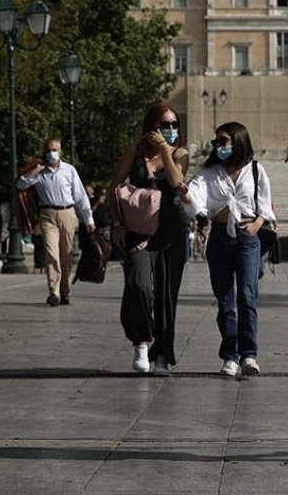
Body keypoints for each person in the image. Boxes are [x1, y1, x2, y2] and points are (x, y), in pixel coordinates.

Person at [182, 121, 275, 378]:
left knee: (247, 294)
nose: (218, 146)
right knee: (225, 300)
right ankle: (230, 355)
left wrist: (256, 225)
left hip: (247, 237)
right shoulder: (209, 173)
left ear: (238, 142)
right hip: (220, 237)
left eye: (223, 141)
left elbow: (265, 205)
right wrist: (187, 198)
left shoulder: (255, 170)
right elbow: (195, 197)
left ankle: (249, 355)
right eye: (216, 142)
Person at [110, 102, 189, 376]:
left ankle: (162, 356)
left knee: (167, 295)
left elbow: (178, 183)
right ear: (151, 126)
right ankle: (141, 340)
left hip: (170, 232)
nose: (169, 130)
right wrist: (117, 223)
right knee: (139, 284)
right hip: (137, 230)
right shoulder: (135, 152)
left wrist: (166, 151)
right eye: (163, 125)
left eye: (173, 125)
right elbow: (115, 186)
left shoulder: (180, 153)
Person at [17, 138, 94, 306]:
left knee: (66, 255)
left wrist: (88, 218)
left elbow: (80, 195)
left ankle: (65, 290)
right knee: (51, 253)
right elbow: (21, 184)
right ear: (44, 152)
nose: (52, 153)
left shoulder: (69, 170)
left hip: (68, 212)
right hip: (47, 214)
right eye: (49, 149)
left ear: (60, 151)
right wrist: (35, 171)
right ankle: (54, 292)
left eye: (55, 149)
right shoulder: (39, 171)